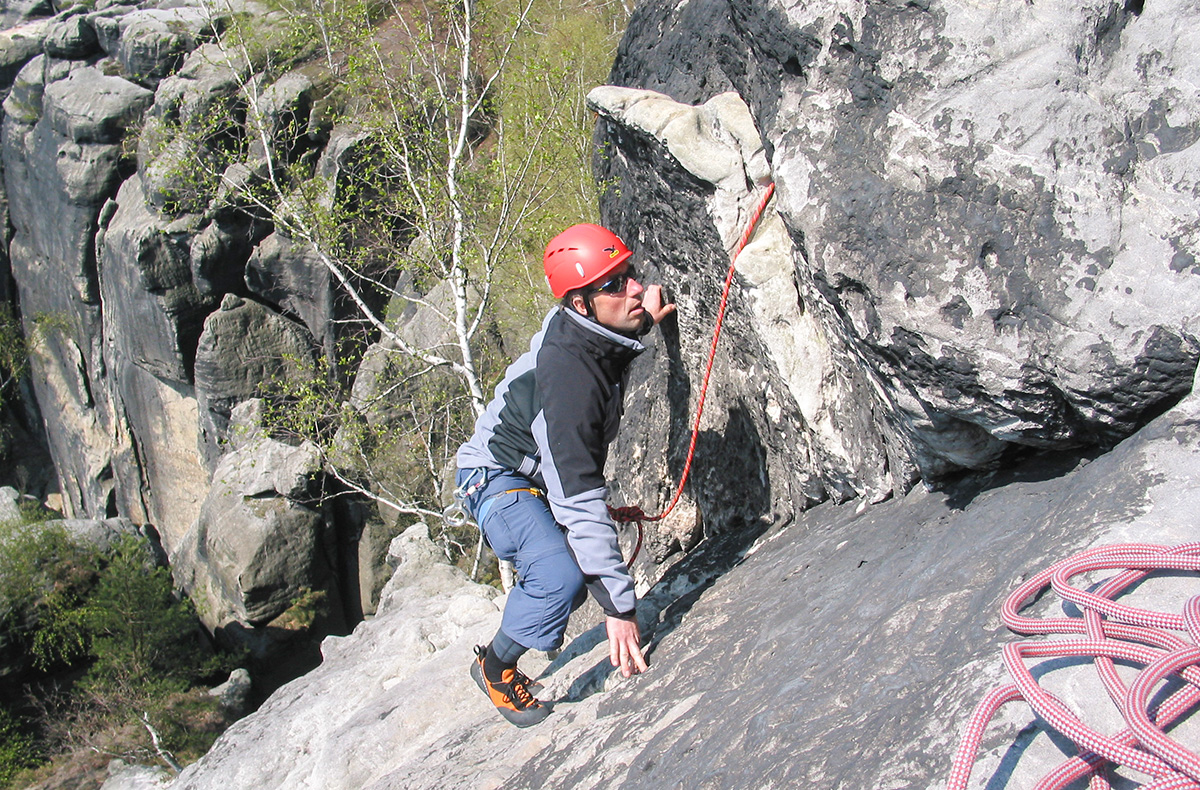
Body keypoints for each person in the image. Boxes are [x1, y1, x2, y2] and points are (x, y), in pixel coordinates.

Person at [454, 222, 676, 727]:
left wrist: (644, 319)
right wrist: (620, 610)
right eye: (615, 285)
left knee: (572, 575)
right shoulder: (569, 380)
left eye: (630, 275)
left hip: (528, 476)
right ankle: (494, 668)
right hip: (494, 478)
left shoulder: (587, 330)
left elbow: (606, 342)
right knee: (561, 574)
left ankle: (501, 646)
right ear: (581, 303)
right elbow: (578, 496)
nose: (635, 288)